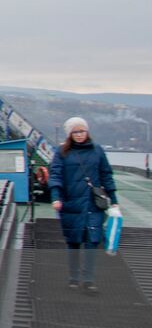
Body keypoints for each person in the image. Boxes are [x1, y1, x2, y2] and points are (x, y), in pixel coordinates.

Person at [49, 117, 116, 294]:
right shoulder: (62, 152)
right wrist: (56, 197)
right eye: (75, 132)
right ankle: (73, 277)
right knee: (73, 242)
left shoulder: (97, 151)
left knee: (92, 241)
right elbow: (55, 176)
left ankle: (88, 280)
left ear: (87, 131)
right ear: (70, 134)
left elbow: (106, 175)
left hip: (94, 204)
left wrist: (114, 200)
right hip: (72, 204)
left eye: (82, 131)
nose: (79, 135)